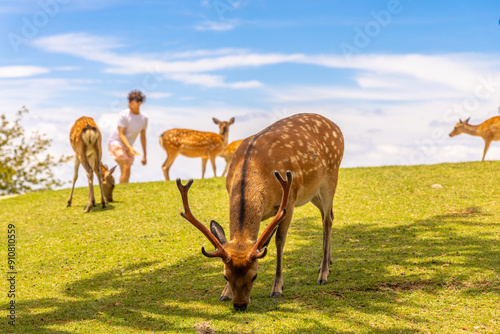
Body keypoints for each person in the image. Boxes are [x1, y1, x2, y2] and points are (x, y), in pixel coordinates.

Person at [108, 90, 148, 183]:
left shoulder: (144, 118)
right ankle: (122, 191)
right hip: (115, 143)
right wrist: (130, 148)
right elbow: (121, 134)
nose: (129, 105)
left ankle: (123, 190)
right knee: (125, 165)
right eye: (129, 102)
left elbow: (143, 136)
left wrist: (145, 155)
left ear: (139, 103)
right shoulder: (124, 115)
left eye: (131, 103)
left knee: (127, 168)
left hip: (127, 146)